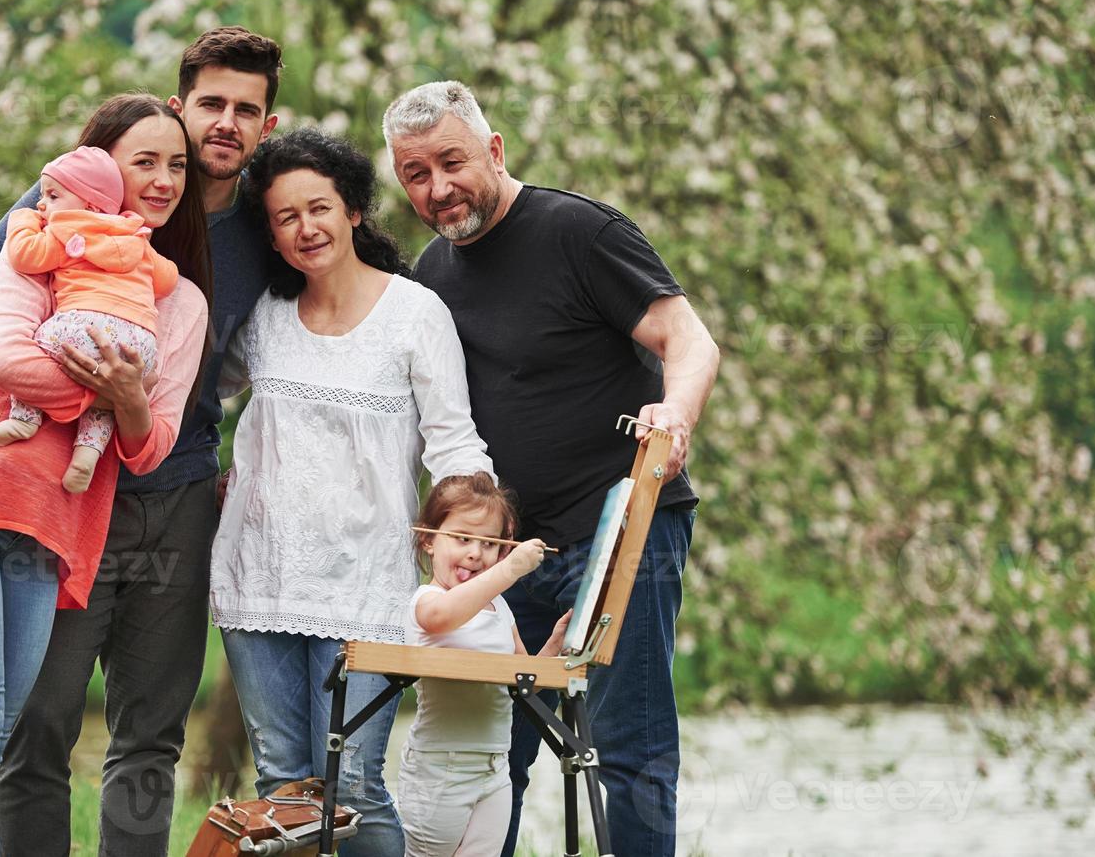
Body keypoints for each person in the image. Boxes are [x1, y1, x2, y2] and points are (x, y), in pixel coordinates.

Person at [0, 27, 283, 856]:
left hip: (177, 494)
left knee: (149, 736)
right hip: (62, 492)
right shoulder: (78, 192)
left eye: (247, 109)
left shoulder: (263, 231)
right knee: (39, 724)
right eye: (211, 104)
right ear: (181, 106)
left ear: (266, 127)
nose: (226, 123)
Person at [0, 92, 212, 857]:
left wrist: (128, 410)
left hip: (50, 520)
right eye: (143, 162)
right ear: (101, 170)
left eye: (176, 165)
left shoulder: (180, 300)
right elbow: (3, 360)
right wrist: (116, 396)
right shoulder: (40, 243)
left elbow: (151, 447)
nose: (162, 179)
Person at [382, 81, 721, 857]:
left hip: (620, 540)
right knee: (493, 757)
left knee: (628, 749)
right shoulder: (432, 274)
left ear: (494, 150)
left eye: (451, 162)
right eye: (414, 174)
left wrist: (676, 416)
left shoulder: (580, 232)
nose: (437, 188)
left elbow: (688, 339)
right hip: (503, 560)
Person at [210, 128, 495, 857]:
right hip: (258, 583)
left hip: (365, 590)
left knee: (354, 791)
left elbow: (454, 443)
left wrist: (471, 546)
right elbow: (197, 389)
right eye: (285, 217)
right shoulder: (266, 319)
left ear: (354, 211)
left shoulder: (414, 314)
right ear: (271, 236)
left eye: (320, 208)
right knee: (283, 790)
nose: (306, 228)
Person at [0, 145, 180, 493]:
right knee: (106, 377)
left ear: (90, 205)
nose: (41, 204)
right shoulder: (136, 236)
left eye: (53, 195)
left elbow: (27, 255)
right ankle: (87, 454)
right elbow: (167, 281)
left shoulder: (68, 230)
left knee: (42, 344)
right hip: (139, 344)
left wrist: (23, 220)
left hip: (83, 325)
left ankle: (25, 418)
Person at [399, 473, 570, 857]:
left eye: (490, 543)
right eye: (462, 538)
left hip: (495, 769)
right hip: (440, 769)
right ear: (428, 538)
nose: (476, 553)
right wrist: (508, 571)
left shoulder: (500, 608)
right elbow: (442, 618)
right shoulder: (426, 600)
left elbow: (527, 680)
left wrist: (556, 645)